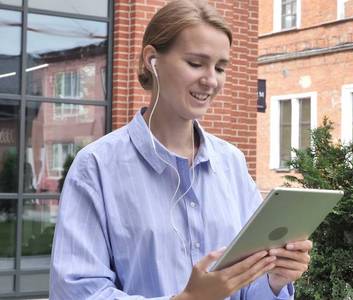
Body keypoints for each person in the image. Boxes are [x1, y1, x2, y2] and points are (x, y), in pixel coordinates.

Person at [49, 1, 312, 299]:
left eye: (220, 67)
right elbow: (77, 291)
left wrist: (275, 279)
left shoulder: (232, 164)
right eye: (196, 63)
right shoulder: (96, 167)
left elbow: (247, 288)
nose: (211, 80)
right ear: (152, 60)